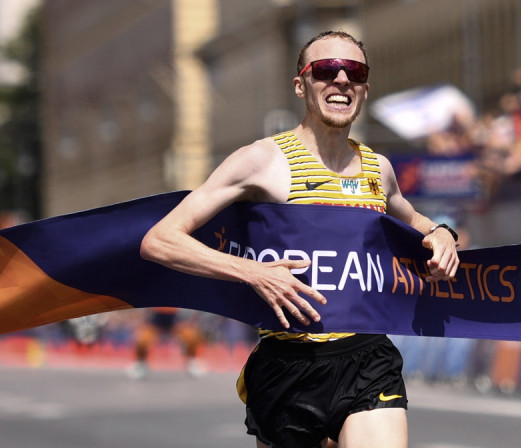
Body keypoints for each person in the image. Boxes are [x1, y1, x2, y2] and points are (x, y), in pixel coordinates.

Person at [140, 30, 460, 448]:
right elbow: (160, 239)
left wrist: (442, 233)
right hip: (287, 366)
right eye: (326, 69)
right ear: (301, 85)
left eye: (355, 72)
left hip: (366, 358)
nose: (342, 80)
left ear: (364, 89)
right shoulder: (261, 161)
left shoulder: (377, 169)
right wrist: (253, 273)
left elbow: (415, 220)